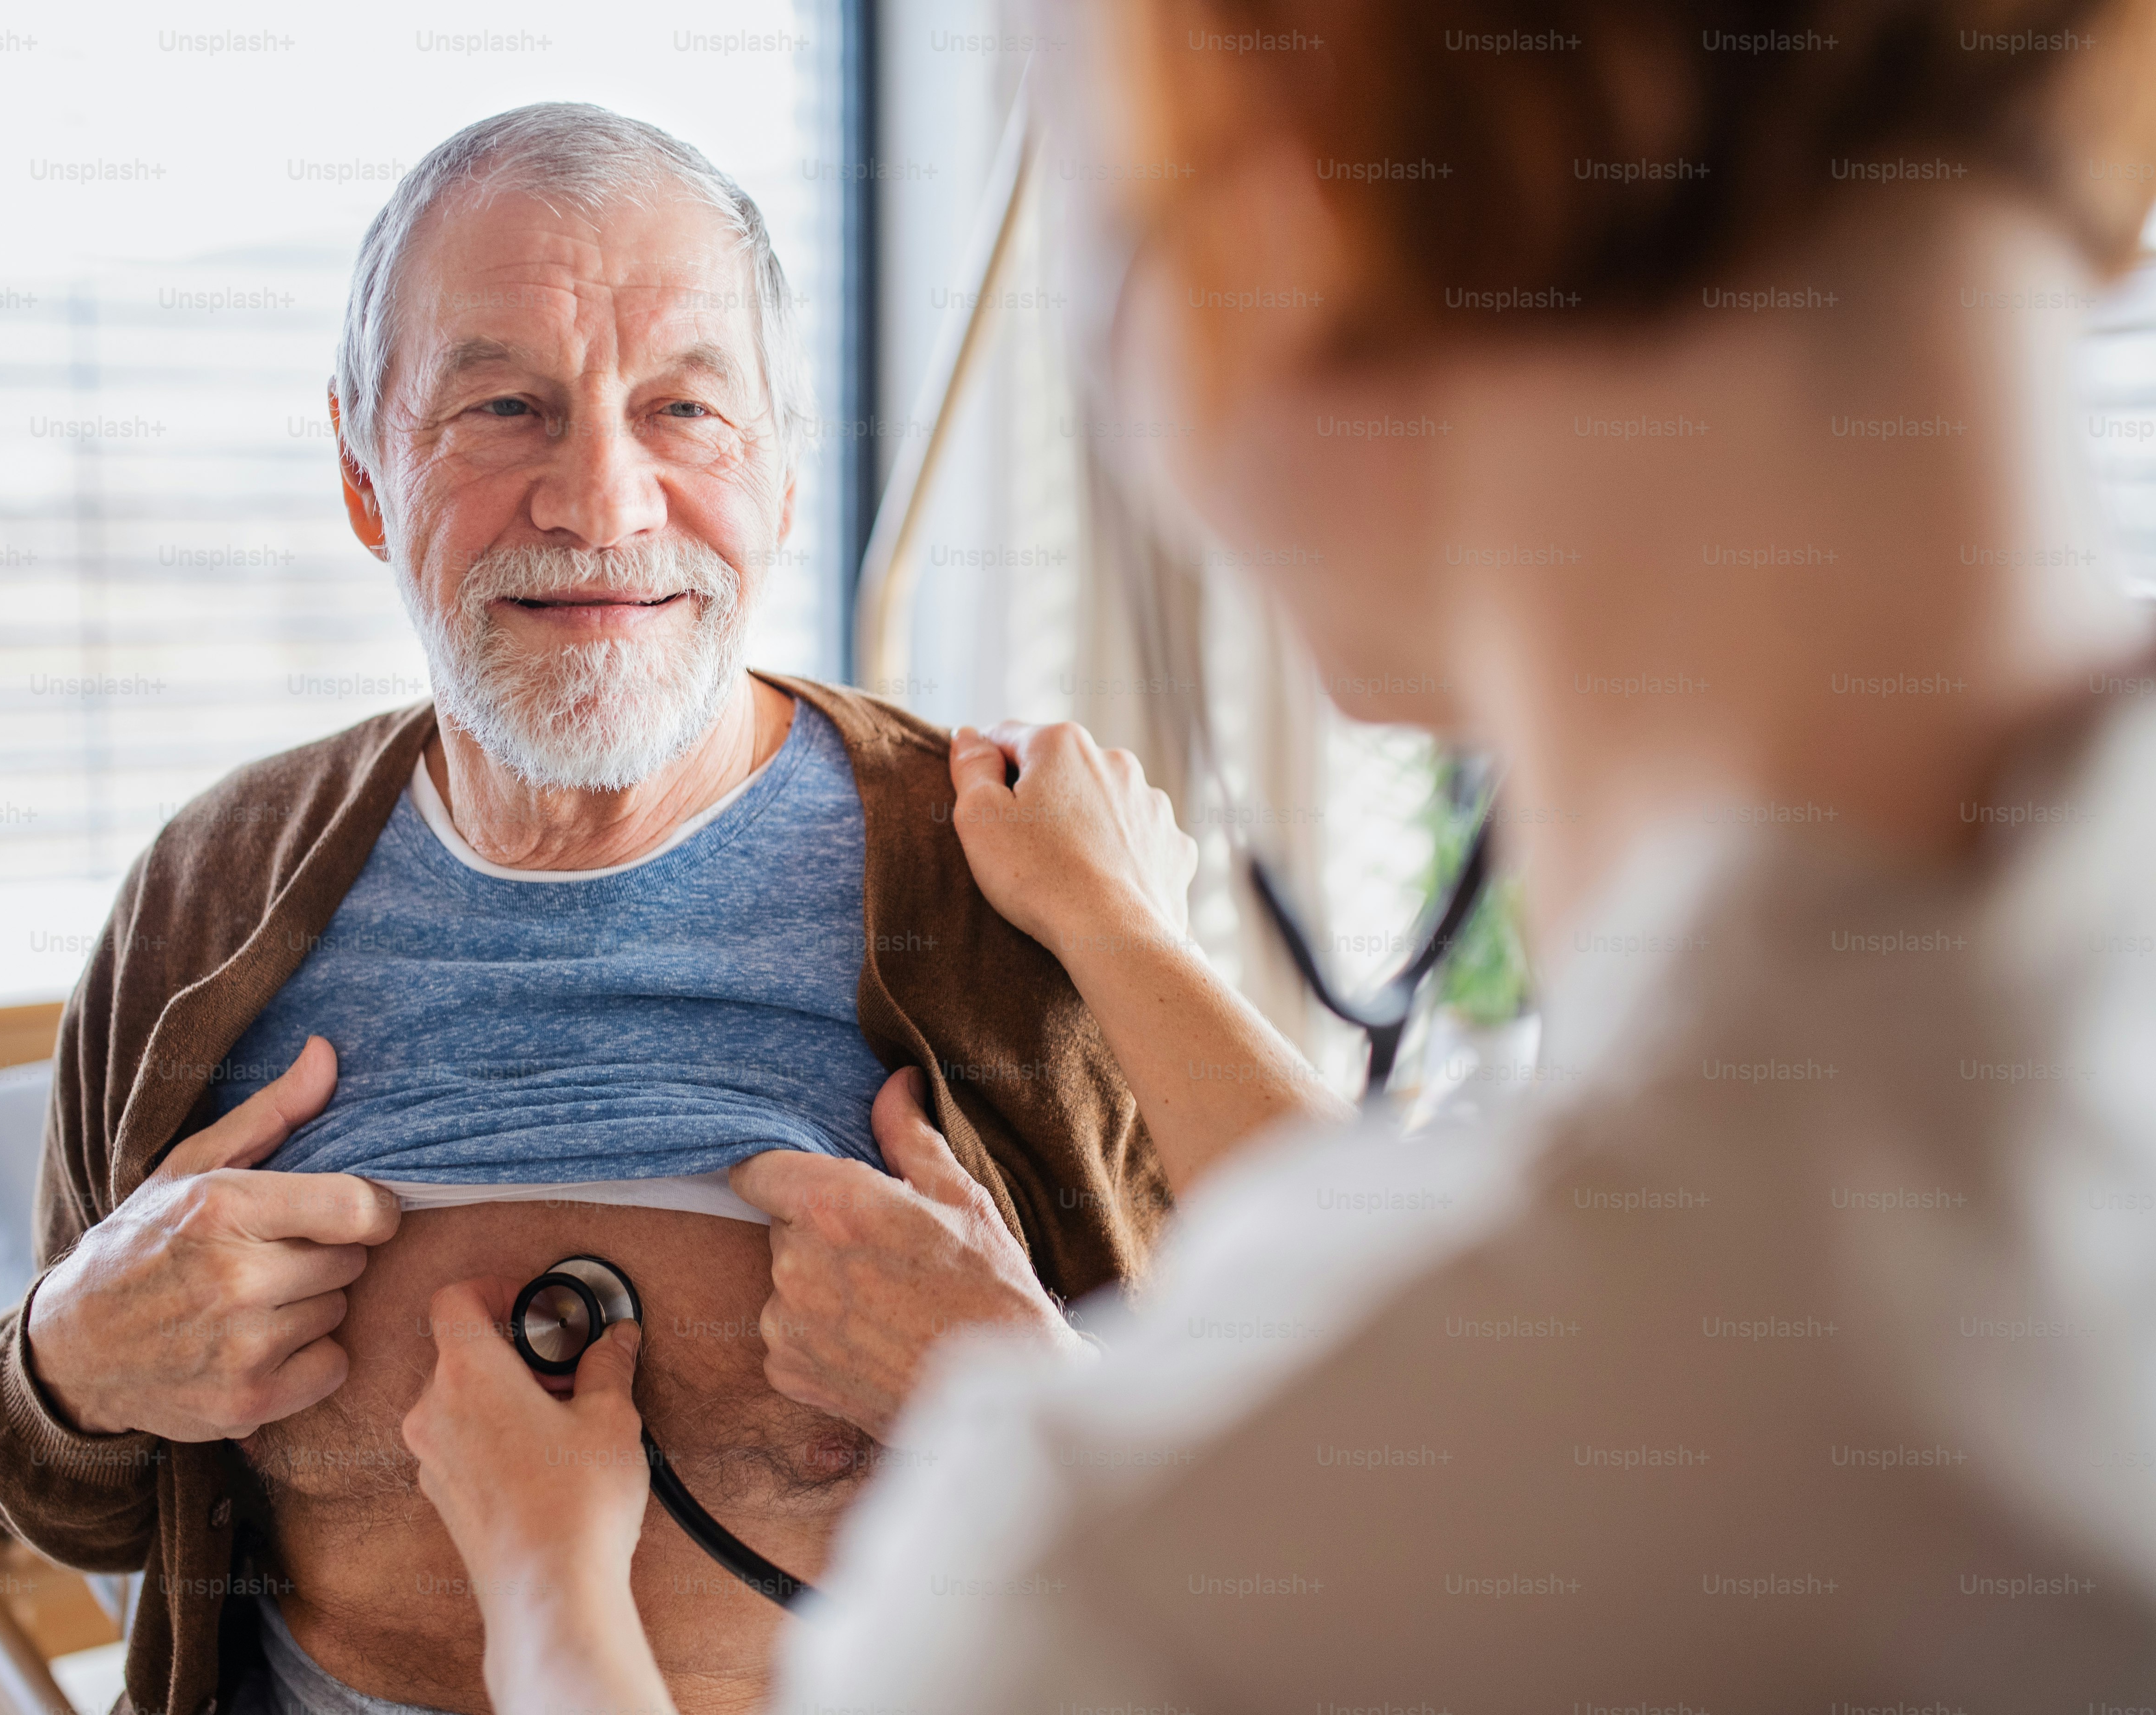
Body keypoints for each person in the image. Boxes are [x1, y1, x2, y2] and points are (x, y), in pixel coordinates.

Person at [398, 2, 2156, 1708]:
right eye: (506, 410)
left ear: (1272, 192)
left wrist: (548, 1587)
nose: (603, 497)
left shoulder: (1152, 1588)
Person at [0, 103, 1341, 1715]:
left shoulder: (997, 898)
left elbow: (1285, 1535)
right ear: (359, 471)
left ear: (786, 470)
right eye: (502, 407)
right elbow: (61, 1494)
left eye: (684, 408)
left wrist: (1022, 1393)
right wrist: (67, 1363)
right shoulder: (208, 901)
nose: (601, 501)